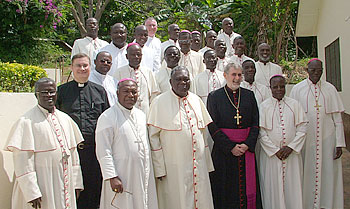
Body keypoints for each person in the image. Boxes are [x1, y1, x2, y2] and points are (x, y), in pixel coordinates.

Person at [5, 78, 84, 209]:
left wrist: (76, 183)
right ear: (36, 95)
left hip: (64, 181)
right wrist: (32, 192)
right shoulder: (26, 121)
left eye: (52, 92)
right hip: (42, 183)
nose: (49, 96)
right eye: (44, 92)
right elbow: (22, 161)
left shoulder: (65, 119)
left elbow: (73, 154)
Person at [148, 66, 214, 209]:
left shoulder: (196, 100)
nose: (183, 83)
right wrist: (159, 168)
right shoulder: (159, 102)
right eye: (178, 80)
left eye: (186, 79)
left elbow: (203, 134)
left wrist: (207, 164)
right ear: (170, 82)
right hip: (174, 167)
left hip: (199, 164)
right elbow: (153, 138)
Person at [290, 58, 346, 209]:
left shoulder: (330, 89)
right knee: (306, 172)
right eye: (313, 70)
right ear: (307, 70)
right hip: (307, 140)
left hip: (328, 140)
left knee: (328, 173)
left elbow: (338, 119)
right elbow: (293, 117)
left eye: (319, 70)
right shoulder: (297, 89)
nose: (316, 73)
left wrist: (339, 143)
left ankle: (327, 204)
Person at [56, 53, 110, 209]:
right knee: (72, 193)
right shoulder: (61, 92)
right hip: (71, 153)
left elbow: (106, 121)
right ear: (72, 68)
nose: (82, 69)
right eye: (78, 65)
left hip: (93, 153)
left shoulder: (99, 91)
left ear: (90, 67)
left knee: (94, 193)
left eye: (85, 65)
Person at [96, 78, 158, 209]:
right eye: (126, 91)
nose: (130, 95)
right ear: (118, 93)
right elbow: (103, 150)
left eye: (134, 92)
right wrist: (112, 176)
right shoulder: (107, 117)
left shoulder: (141, 115)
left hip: (142, 172)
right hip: (122, 174)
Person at [207, 63, 262, 208]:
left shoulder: (249, 95)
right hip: (224, 153)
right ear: (225, 76)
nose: (237, 78)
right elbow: (212, 126)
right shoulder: (214, 97)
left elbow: (256, 123)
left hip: (246, 151)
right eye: (233, 75)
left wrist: (247, 144)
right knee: (225, 190)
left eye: (239, 75)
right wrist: (231, 147)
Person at [259, 75, 308, 209]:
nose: (279, 89)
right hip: (272, 157)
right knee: (272, 189)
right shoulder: (263, 107)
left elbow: (302, 127)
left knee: (293, 188)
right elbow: (261, 132)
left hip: (292, 156)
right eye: (275, 87)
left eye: (282, 86)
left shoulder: (295, 104)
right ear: (270, 88)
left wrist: (291, 147)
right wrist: (275, 150)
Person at [113, 43, 159, 115]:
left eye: (138, 54)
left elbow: (154, 95)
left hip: (146, 113)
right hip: (124, 113)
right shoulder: (119, 72)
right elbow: (114, 96)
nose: (136, 57)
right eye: (132, 55)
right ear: (126, 56)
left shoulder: (148, 72)